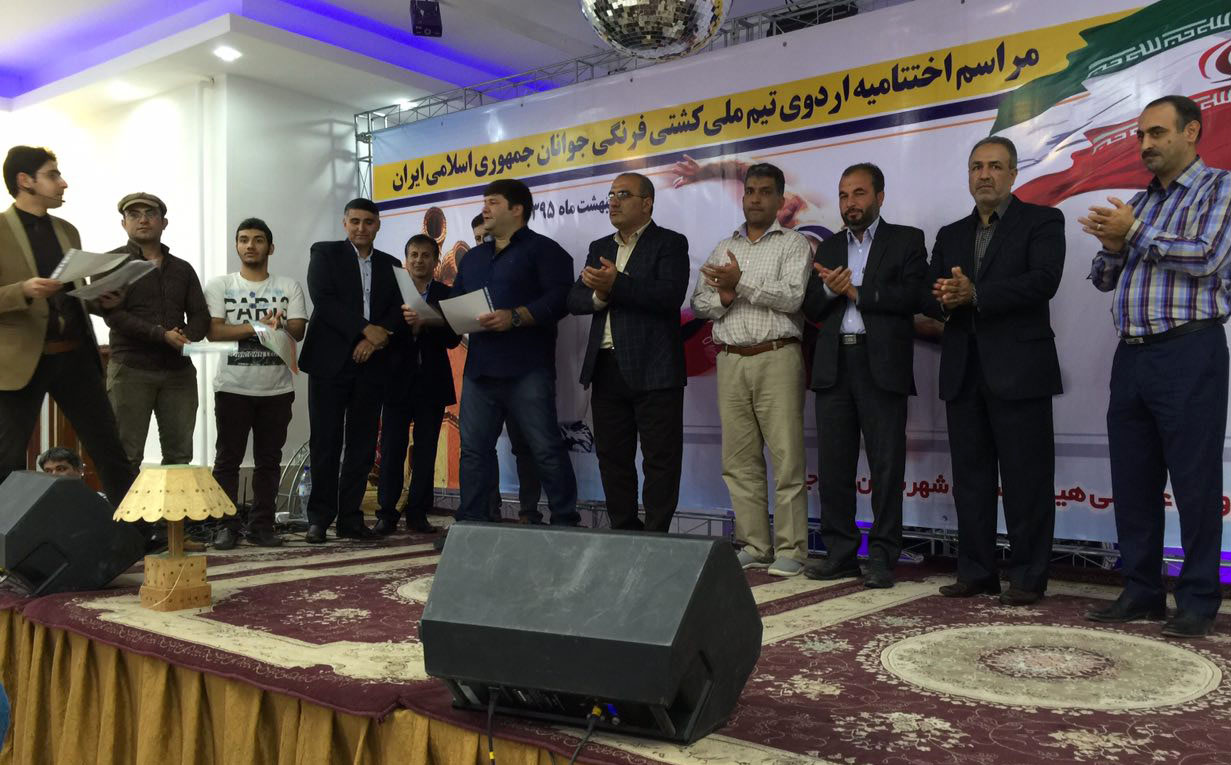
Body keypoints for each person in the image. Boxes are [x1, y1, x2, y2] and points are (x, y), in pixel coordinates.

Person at [1081, 95, 1231, 638]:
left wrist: (1134, 232)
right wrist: (1112, 245)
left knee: (1194, 482)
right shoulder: (1139, 203)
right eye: (1142, 135)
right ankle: (1141, 590)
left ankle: (1197, 600)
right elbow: (1103, 279)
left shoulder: (1220, 188)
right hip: (1133, 355)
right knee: (1133, 480)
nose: (1146, 144)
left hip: (1190, 351)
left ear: (1191, 132)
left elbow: (1207, 257)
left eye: (1158, 133)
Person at [922, 136, 1065, 606]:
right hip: (964, 371)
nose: (984, 175)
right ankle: (976, 572)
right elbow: (930, 293)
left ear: (1013, 174)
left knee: (1027, 480)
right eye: (976, 167)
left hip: (1020, 370)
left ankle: (1027, 577)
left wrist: (976, 294)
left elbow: (1043, 281)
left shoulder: (1043, 220)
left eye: (995, 166)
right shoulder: (950, 234)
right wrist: (946, 296)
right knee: (971, 480)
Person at [801, 163, 927, 588]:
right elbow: (811, 308)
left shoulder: (906, 240)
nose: (850, 203)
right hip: (834, 365)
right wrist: (828, 290)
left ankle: (883, 556)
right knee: (834, 466)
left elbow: (915, 295)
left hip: (881, 365)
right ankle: (840, 553)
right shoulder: (830, 246)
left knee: (886, 466)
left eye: (858, 193)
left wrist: (858, 293)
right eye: (843, 195)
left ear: (879, 197)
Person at [690, 163, 812, 576]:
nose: (755, 199)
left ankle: (792, 549)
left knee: (787, 458)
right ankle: (755, 544)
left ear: (780, 199)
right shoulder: (724, 247)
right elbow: (700, 303)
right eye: (750, 191)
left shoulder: (793, 244)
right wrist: (725, 297)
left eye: (764, 192)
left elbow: (792, 298)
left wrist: (739, 284)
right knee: (739, 460)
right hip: (730, 359)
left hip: (777, 355)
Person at [446, 179, 580, 543]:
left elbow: (562, 299)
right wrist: (432, 315)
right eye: (484, 202)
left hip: (527, 368)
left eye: (492, 202)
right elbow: (456, 303)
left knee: (544, 447)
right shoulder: (474, 258)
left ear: (516, 209)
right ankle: (471, 524)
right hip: (480, 370)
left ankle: (566, 524)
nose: (484, 208)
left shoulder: (545, 251)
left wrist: (516, 316)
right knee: (474, 450)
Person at [0, 146, 135, 506]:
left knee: (109, 449)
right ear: (25, 180)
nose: (63, 183)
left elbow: (73, 293)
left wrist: (101, 299)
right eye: (53, 175)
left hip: (75, 355)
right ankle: (8, 534)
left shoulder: (67, 231)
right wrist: (22, 290)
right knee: (7, 458)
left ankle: (134, 529)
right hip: (21, 362)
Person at [567, 172, 689, 532]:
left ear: (647, 203)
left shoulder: (669, 243)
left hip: (655, 368)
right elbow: (574, 299)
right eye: (610, 195)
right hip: (606, 368)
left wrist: (617, 283)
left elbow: (668, 296)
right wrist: (600, 294)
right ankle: (623, 530)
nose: (613, 202)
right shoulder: (600, 246)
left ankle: (656, 535)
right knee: (612, 458)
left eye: (623, 195)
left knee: (660, 459)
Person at [299, 198, 404, 543]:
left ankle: (350, 519)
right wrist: (364, 329)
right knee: (325, 441)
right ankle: (319, 519)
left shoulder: (391, 264)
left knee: (362, 444)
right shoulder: (324, 253)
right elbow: (324, 301)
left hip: (372, 364)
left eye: (368, 222)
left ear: (378, 225)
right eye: (355, 221)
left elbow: (396, 310)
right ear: (345, 223)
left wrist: (373, 341)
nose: (361, 228)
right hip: (329, 362)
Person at [204, 217, 308, 549]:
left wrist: (279, 325)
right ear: (237, 246)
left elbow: (298, 330)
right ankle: (225, 526)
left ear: (270, 247)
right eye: (244, 239)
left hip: (277, 389)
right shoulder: (221, 285)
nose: (250, 245)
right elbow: (214, 331)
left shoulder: (288, 286)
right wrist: (257, 327)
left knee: (269, 460)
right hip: (232, 386)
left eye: (258, 240)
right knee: (227, 460)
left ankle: (262, 525)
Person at [104, 192, 210, 472]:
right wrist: (161, 335)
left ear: (164, 222)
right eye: (134, 215)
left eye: (150, 214)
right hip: (130, 369)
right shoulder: (111, 263)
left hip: (178, 372)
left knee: (180, 457)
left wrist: (186, 336)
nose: (143, 220)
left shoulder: (182, 269)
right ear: (123, 224)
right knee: (126, 457)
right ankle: (123, 505)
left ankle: (173, 506)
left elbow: (200, 315)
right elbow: (114, 316)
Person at [376, 234, 459, 535]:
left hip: (432, 383)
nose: (419, 261)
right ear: (406, 259)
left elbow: (453, 338)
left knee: (426, 451)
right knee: (392, 449)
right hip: (396, 381)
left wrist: (428, 321)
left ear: (436, 261)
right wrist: (406, 325)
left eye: (426, 255)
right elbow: (382, 330)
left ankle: (418, 512)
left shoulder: (446, 293)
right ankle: (387, 513)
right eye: (414, 255)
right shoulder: (392, 292)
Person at [473, 213, 544, 524]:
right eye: (477, 239)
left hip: (521, 369)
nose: (483, 244)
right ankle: (488, 511)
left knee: (526, 445)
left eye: (487, 238)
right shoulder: (472, 270)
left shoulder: (523, 268)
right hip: (483, 373)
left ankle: (529, 512)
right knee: (480, 448)